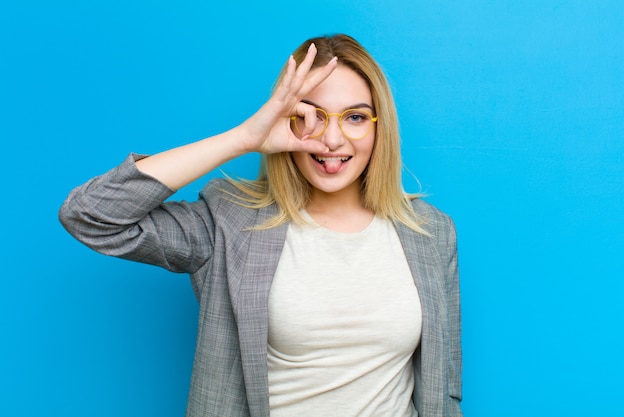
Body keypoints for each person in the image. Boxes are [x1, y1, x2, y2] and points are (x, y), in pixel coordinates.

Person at [59, 34, 462, 417]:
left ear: (379, 126)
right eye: (313, 116)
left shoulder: (431, 232)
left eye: (354, 117)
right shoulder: (228, 222)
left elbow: (445, 388)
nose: (332, 139)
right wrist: (244, 138)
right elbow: (91, 217)